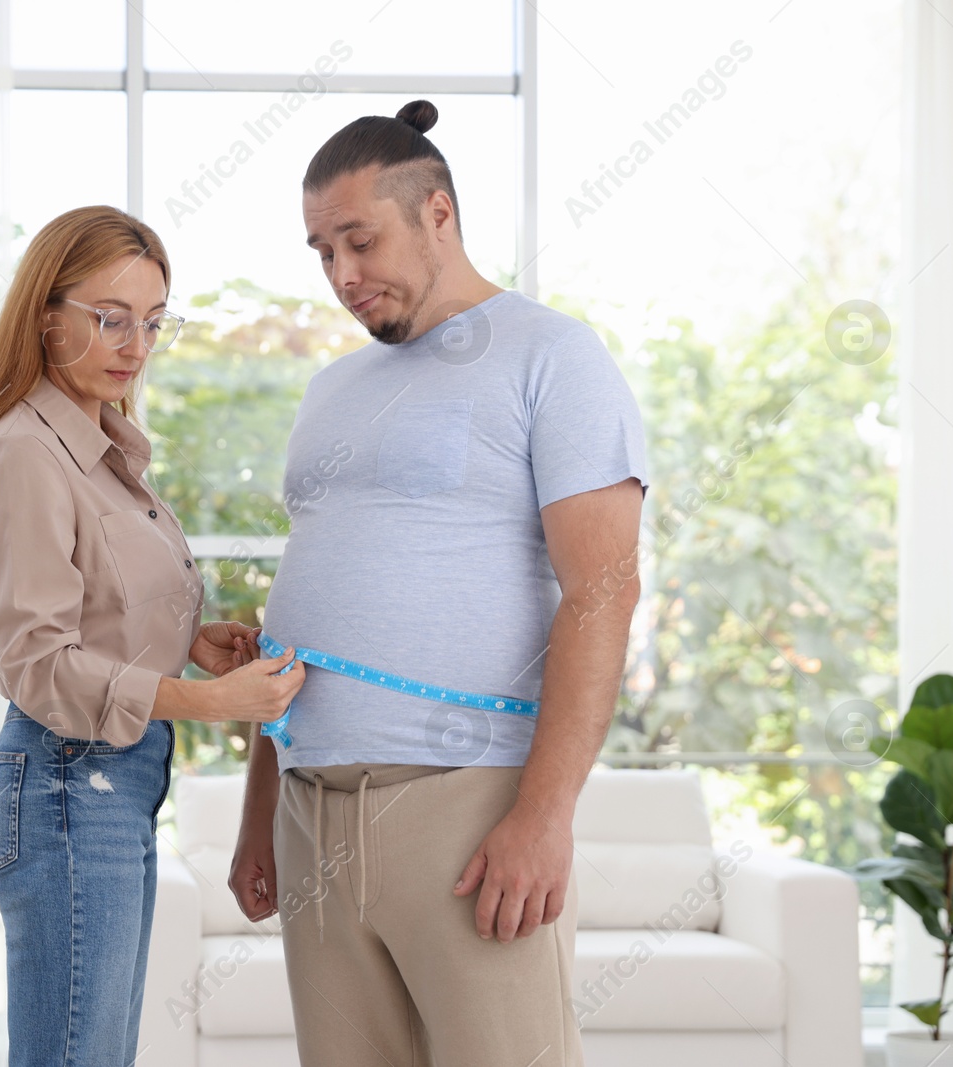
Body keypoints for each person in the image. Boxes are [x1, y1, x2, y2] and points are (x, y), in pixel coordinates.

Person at [227, 101, 648, 1066]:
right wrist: (262, 813)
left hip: (467, 807)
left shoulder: (554, 354)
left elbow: (604, 589)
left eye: (361, 241)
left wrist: (542, 817)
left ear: (439, 214)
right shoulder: (331, 388)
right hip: (311, 811)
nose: (342, 275)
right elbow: (305, 608)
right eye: (321, 251)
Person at [0, 204, 304, 1067]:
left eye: (152, 321)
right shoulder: (27, 453)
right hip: (70, 784)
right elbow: (37, 662)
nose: (135, 343)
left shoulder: (102, 447)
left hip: (112, 785)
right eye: (111, 318)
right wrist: (207, 700)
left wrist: (186, 642)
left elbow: (90, 618)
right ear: (46, 316)